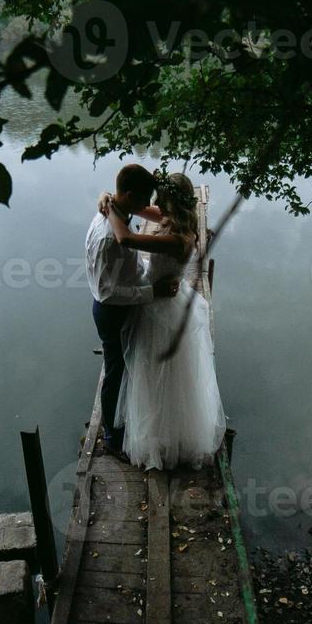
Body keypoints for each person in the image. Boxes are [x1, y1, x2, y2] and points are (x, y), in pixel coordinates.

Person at [98, 172, 227, 470]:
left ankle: (161, 437)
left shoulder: (177, 239)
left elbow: (125, 238)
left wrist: (109, 210)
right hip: (165, 298)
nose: (155, 204)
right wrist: (107, 197)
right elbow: (138, 210)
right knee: (157, 374)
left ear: (172, 203)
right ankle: (162, 429)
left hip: (160, 308)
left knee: (157, 375)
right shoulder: (176, 220)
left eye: (161, 200)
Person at [85, 163, 179, 459]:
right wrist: (153, 292)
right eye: (143, 199)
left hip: (126, 302)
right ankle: (112, 436)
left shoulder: (119, 213)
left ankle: (127, 417)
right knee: (115, 370)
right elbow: (107, 291)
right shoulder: (108, 237)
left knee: (125, 365)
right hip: (112, 310)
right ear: (127, 194)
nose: (147, 206)